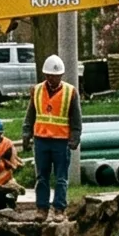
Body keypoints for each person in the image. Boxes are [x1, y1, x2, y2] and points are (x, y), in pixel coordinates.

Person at [30, 55, 84, 215]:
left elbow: (76, 119)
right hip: (41, 140)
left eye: (55, 76)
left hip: (61, 142)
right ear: (45, 75)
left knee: (61, 178)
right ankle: (42, 208)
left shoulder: (70, 92)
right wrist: (27, 133)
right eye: (49, 76)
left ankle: (59, 208)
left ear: (61, 75)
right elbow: (30, 114)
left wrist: (75, 138)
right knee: (42, 177)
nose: (52, 78)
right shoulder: (37, 90)